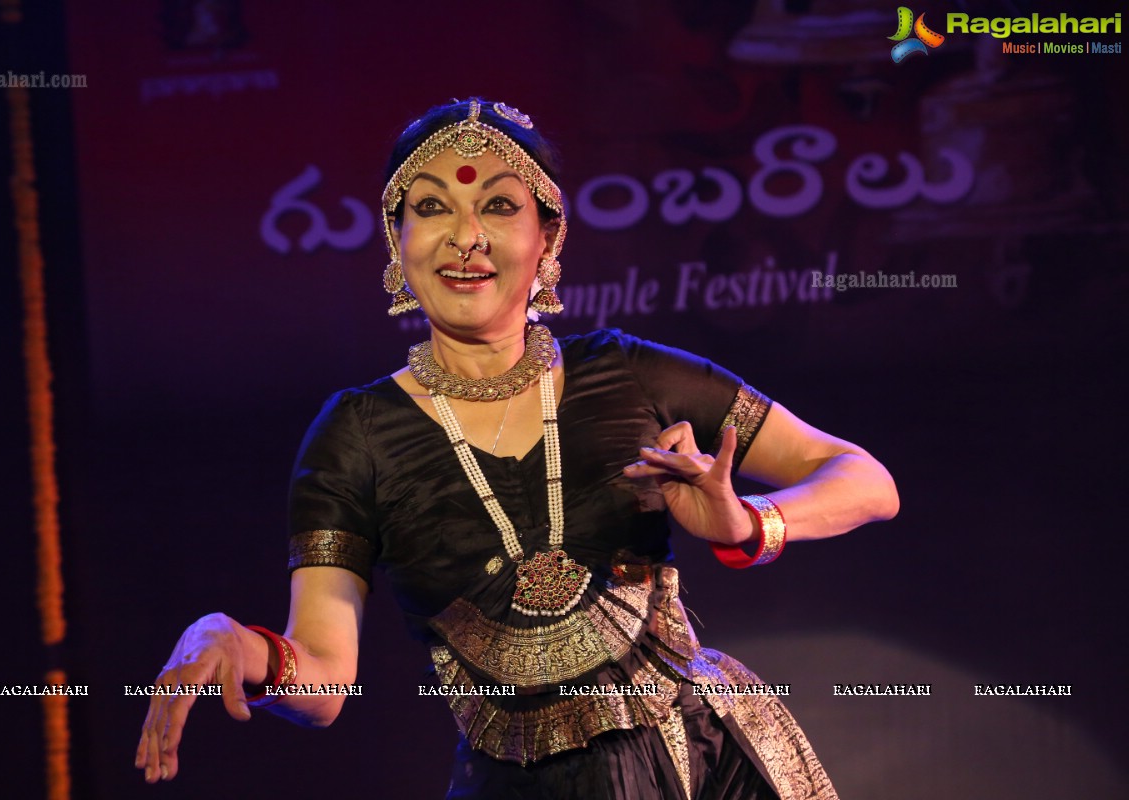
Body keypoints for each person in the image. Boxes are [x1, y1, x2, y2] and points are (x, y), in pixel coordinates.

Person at [135, 98, 899, 799]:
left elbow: (864, 479)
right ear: (397, 242)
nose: (466, 237)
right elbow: (326, 683)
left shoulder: (629, 372)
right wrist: (242, 646)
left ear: (548, 238)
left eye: (498, 205)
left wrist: (749, 525)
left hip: (701, 761)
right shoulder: (354, 436)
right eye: (431, 206)